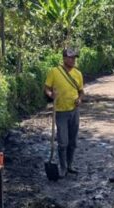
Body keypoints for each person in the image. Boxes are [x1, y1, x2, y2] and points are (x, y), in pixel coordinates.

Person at [44, 47, 85, 178]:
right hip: (60, 111)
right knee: (63, 142)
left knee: (72, 141)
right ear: (64, 58)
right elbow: (46, 88)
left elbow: (81, 91)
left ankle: (70, 165)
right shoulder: (54, 72)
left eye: (74, 58)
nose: (73, 60)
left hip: (74, 111)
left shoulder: (78, 74)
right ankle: (62, 167)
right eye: (71, 57)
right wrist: (51, 95)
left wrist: (79, 99)